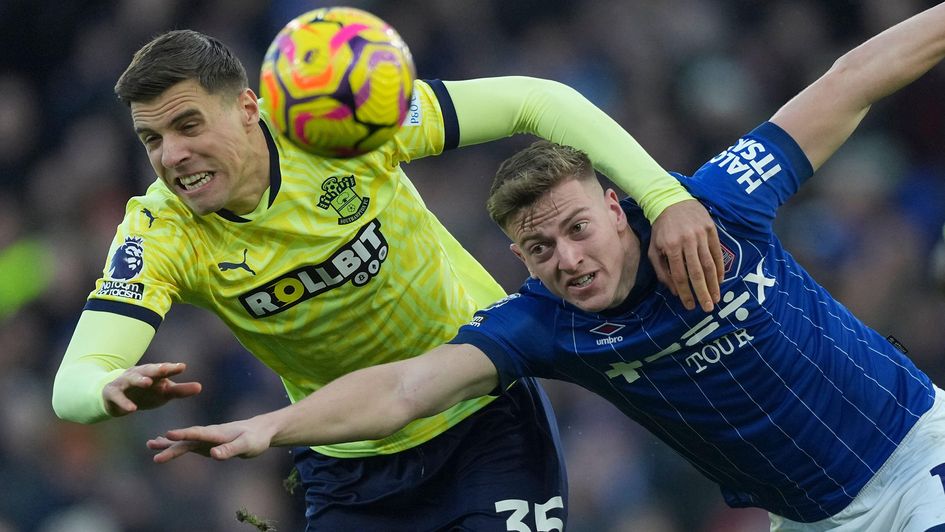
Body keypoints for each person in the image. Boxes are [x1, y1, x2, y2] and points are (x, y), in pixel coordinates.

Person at [148, 4, 945, 531]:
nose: (566, 258)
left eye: (575, 228)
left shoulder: (715, 207)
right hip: (806, 520)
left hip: (915, 460)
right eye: (539, 248)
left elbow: (850, 80)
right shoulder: (543, 325)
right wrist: (273, 426)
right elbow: (400, 389)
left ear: (611, 202)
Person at [50, 22, 725, 531]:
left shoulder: (338, 127)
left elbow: (534, 101)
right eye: (152, 139)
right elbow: (74, 382)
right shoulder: (159, 233)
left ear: (249, 108)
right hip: (346, 458)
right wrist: (106, 387)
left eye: (187, 125)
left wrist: (664, 199)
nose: (172, 155)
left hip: (479, 410)